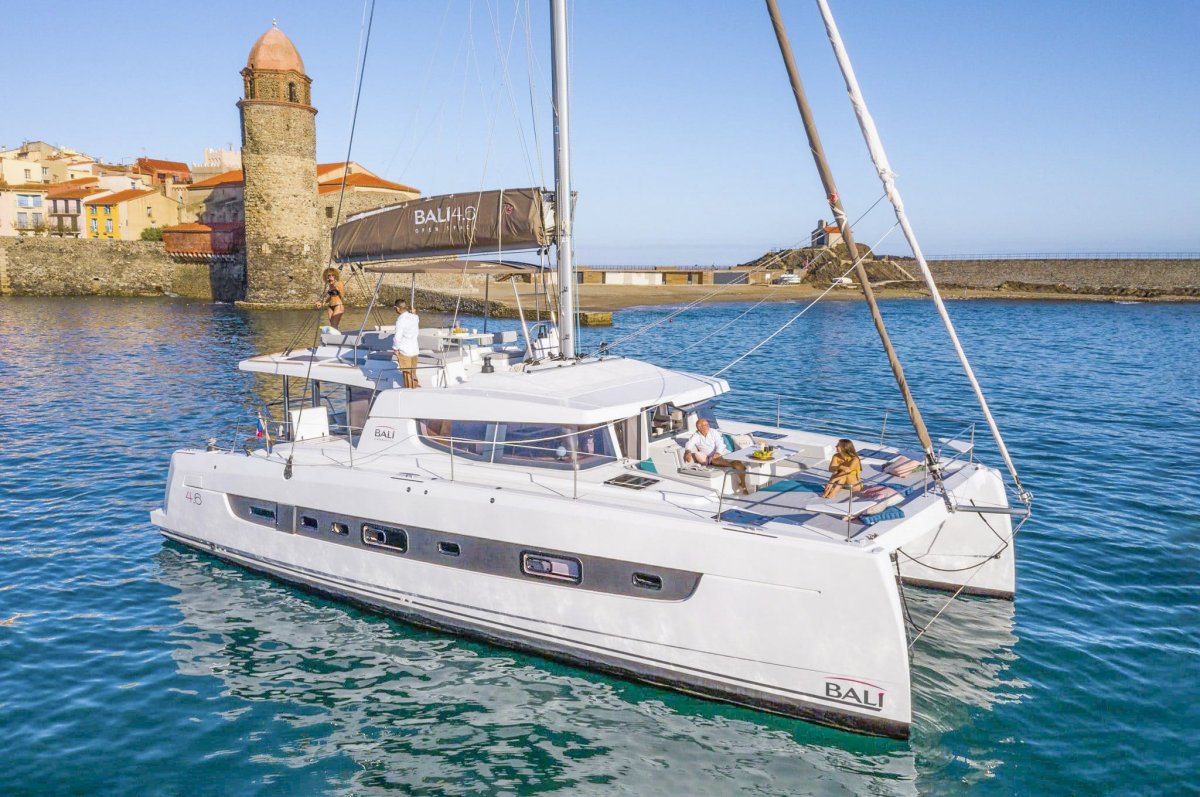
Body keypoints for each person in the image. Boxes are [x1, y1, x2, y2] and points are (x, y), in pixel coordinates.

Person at [683, 418, 748, 494]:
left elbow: (720, 444)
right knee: (732, 463)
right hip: (713, 459)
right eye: (705, 425)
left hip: (724, 453)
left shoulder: (713, 431)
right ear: (699, 427)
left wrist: (718, 453)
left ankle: (743, 484)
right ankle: (734, 466)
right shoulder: (696, 436)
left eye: (707, 424)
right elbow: (689, 444)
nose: (708, 426)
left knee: (738, 464)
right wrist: (687, 451)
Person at [392, 298, 420, 389]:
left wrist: (395, 349)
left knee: (407, 373)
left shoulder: (400, 321)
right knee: (413, 372)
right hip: (415, 349)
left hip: (405, 351)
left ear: (397, 308)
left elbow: (397, 337)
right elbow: (416, 319)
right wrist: (414, 313)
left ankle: (409, 391)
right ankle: (415, 386)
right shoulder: (415, 317)